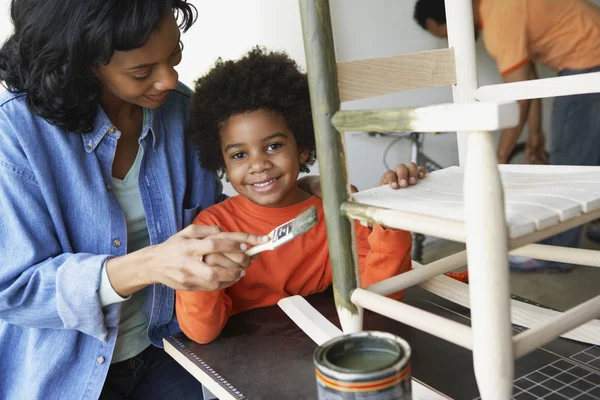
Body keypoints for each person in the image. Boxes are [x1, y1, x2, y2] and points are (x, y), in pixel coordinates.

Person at [0, 1, 298, 399]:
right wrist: (150, 265)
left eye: (174, 56)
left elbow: (217, 215)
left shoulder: (181, 112)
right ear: (85, 64)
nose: (168, 80)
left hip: (169, 351)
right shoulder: (14, 134)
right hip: (61, 372)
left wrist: (297, 194)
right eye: (142, 72)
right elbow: (13, 290)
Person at [175, 47, 425, 344]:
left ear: (303, 148)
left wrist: (389, 217)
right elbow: (201, 333)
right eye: (240, 154)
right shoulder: (213, 230)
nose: (258, 165)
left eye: (273, 146)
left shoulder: (334, 213)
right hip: (244, 363)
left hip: (324, 344)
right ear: (223, 164)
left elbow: (381, 294)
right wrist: (203, 275)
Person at [414, 0, 600, 270]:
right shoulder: (498, 6)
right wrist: (535, 133)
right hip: (592, 51)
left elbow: (517, 100)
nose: (450, 39)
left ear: (453, 16)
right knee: (589, 150)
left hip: (588, 60)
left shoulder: (498, 19)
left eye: (446, 33)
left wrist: (498, 157)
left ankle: (555, 255)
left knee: (566, 165)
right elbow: (528, 83)